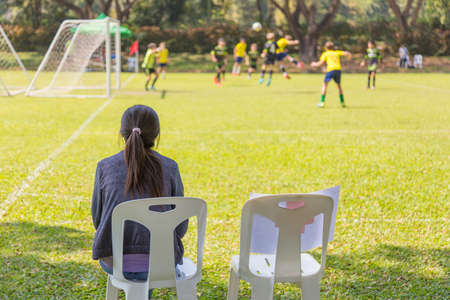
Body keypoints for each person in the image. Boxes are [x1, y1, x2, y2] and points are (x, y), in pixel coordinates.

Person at [91, 105, 188, 299]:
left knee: (142, 266)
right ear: (156, 135)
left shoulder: (105, 167)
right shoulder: (170, 167)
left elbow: (98, 219)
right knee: (151, 263)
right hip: (163, 263)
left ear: (122, 133)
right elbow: (180, 227)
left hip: (114, 260)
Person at [310, 41, 351, 108]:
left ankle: (322, 102)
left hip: (330, 70)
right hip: (338, 70)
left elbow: (321, 63)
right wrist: (349, 58)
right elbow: (347, 53)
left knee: (325, 85)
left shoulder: (326, 54)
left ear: (326, 48)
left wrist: (314, 64)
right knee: (339, 86)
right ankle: (342, 103)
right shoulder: (336, 52)